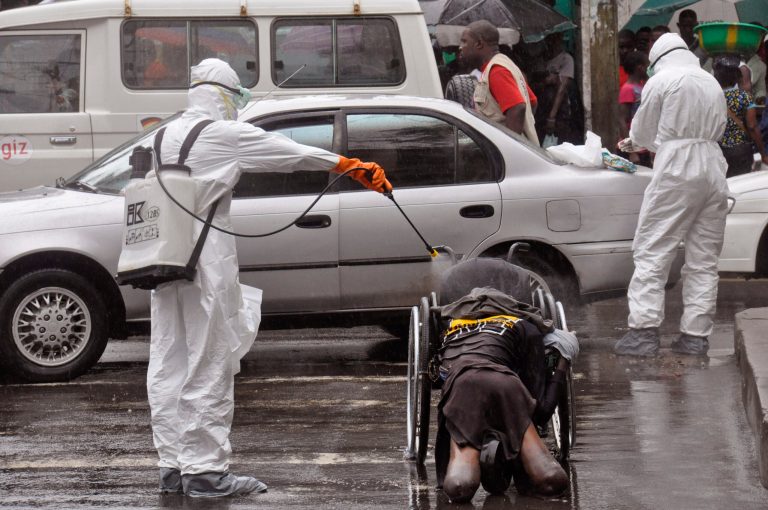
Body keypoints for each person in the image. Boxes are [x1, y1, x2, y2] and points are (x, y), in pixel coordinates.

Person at [146, 58, 391, 498]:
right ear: (223, 95)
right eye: (236, 96)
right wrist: (348, 164)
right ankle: (205, 473)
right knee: (210, 360)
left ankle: (173, 466)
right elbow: (287, 153)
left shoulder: (163, 134)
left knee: (169, 362)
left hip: (165, 262)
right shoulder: (222, 134)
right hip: (206, 259)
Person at [614, 33, 729, 357]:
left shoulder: (662, 79)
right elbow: (717, 129)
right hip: (712, 167)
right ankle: (695, 337)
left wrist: (639, 142)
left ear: (657, 59)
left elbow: (642, 131)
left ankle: (644, 332)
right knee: (704, 260)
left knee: (653, 249)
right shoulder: (710, 82)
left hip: (677, 167)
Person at [432, 259, 576, 502]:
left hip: (461, 385)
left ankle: (466, 465)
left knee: (459, 486)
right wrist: (562, 363)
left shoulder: (454, 325)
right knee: (552, 480)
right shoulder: (524, 326)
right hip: (505, 385)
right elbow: (540, 411)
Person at [459, 20, 539, 144]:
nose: (460, 47)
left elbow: (518, 108)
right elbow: (532, 102)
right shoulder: (503, 65)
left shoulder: (496, 71)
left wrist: (509, 147)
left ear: (479, 44)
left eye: (464, 41)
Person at [713, 55, 768, 177]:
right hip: (741, 151)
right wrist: (763, 153)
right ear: (736, 77)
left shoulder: (711, 97)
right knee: (740, 183)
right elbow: (752, 126)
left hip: (718, 150)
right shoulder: (743, 97)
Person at [534, 32, 580, 145]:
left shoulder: (566, 59)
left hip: (559, 111)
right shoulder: (542, 60)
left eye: (555, 39)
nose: (552, 42)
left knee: (560, 143)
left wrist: (552, 117)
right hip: (542, 108)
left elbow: (562, 89)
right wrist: (546, 81)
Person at [617, 51, 650, 165]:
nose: (648, 69)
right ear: (640, 68)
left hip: (641, 145)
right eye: (647, 66)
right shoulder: (628, 89)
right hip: (631, 149)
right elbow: (622, 120)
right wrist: (631, 152)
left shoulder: (641, 86)